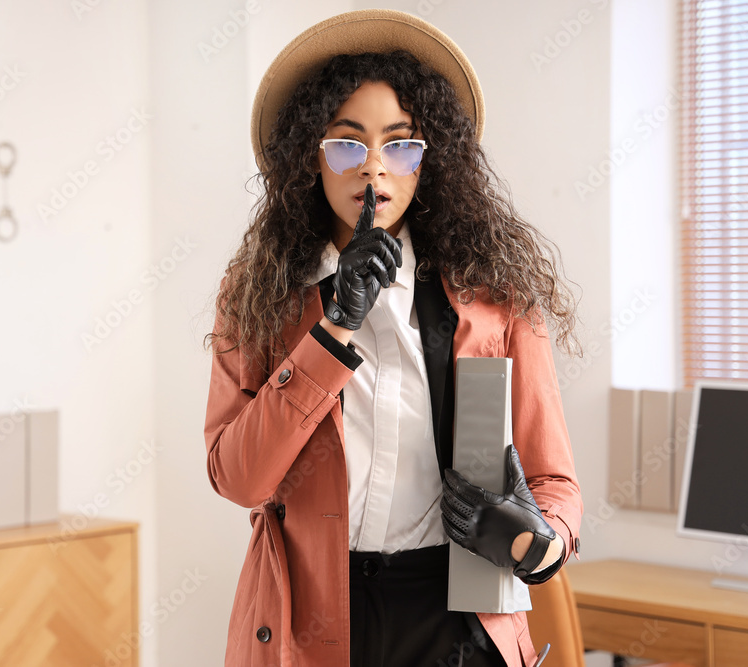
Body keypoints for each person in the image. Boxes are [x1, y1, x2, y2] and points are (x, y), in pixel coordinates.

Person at [204, 9, 583, 667]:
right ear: (310, 157)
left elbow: (553, 481)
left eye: (400, 144)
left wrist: (539, 542)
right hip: (313, 621)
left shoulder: (496, 291)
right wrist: (334, 328)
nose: (372, 169)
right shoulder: (257, 290)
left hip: (458, 623)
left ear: (429, 160)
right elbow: (239, 478)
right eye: (347, 144)